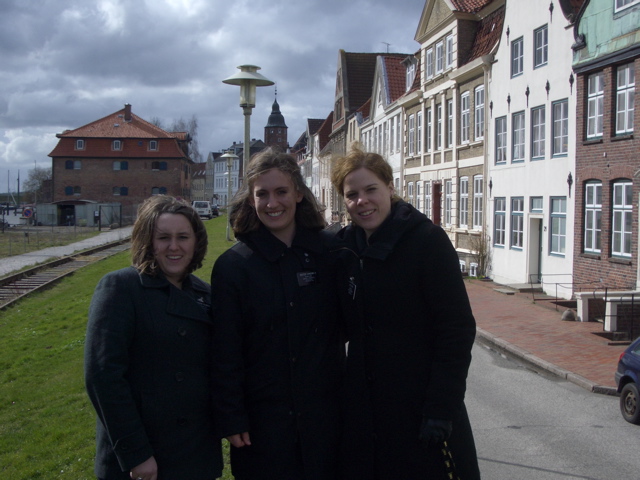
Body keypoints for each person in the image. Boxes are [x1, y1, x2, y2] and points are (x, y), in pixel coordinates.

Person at [330, 147, 480, 480]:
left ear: (390, 188)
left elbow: (456, 329)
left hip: (420, 409)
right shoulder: (345, 250)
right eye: (352, 194)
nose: (362, 201)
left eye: (371, 190)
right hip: (366, 413)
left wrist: (441, 410)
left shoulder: (426, 241)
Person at [210, 148, 344, 480]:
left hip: (326, 421)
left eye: (281, 191)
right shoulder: (233, 268)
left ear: (298, 193)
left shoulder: (330, 254)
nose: (273, 203)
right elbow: (225, 351)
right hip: (263, 426)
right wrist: (232, 416)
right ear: (251, 199)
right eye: (263, 194)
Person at [84, 195, 222, 480]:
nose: (174, 247)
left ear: (196, 242)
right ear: (147, 241)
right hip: (143, 459)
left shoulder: (204, 294)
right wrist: (137, 454)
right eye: (163, 238)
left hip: (194, 453)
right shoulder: (121, 288)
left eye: (183, 237)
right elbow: (103, 377)